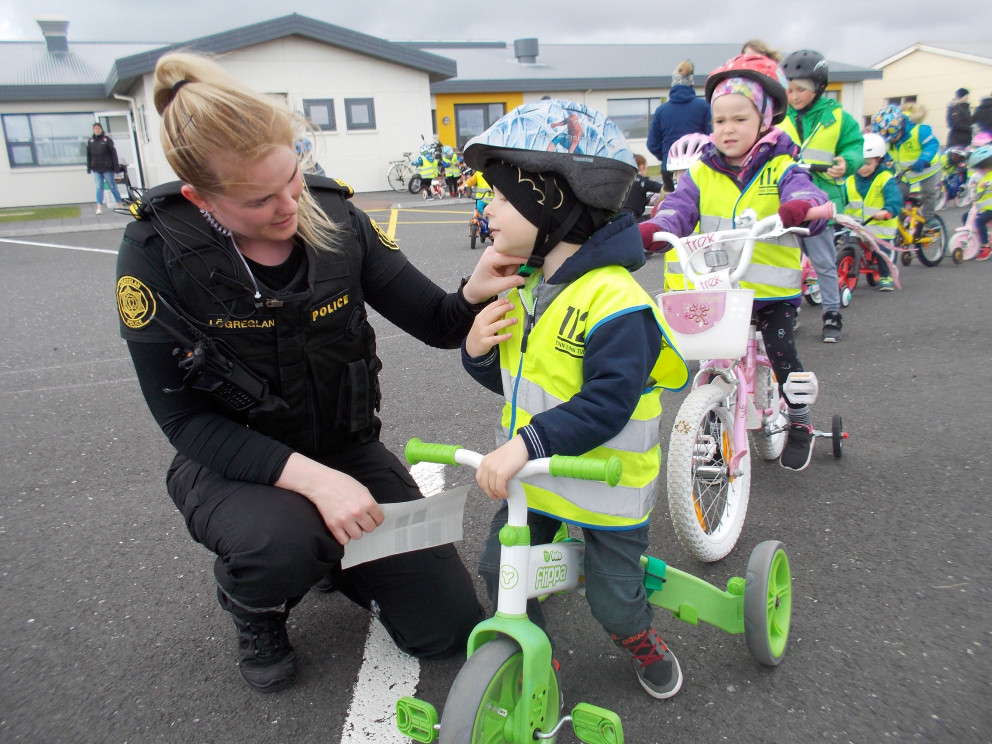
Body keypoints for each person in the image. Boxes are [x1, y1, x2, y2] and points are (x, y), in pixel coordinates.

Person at [114, 52, 529, 693]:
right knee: (281, 540)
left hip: (344, 446)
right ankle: (256, 606)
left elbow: (438, 321)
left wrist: (471, 293)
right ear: (201, 198)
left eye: (294, 179)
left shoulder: (334, 217)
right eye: (259, 200)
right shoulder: (157, 250)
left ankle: (338, 558)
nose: (288, 207)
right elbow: (184, 419)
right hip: (233, 464)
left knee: (447, 630)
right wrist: (319, 486)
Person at [460, 99, 690, 700]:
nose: (489, 208)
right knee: (500, 569)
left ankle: (639, 637)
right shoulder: (531, 287)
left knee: (614, 598)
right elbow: (518, 382)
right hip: (538, 470)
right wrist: (477, 347)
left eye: (505, 199)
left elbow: (607, 404)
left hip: (606, 481)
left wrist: (524, 444)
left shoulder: (617, 302)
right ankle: (538, 664)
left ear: (553, 205)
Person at [640, 53, 830, 471]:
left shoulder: (783, 165)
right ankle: (710, 419)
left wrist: (802, 207)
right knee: (707, 358)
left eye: (740, 119)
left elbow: (808, 196)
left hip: (771, 292)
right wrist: (656, 230)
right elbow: (678, 209)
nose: (727, 129)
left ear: (765, 119)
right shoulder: (701, 172)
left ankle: (799, 420)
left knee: (782, 352)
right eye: (719, 120)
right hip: (720, 289)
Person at [779, 49, 864, 343]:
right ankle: (788, 310)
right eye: (789, 89)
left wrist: (847, 162)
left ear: (818, 88)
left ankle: (831, 312)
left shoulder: (836, 117)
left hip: (819, 199)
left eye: (801, 89)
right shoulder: (778, 116)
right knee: (786, 261)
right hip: (786, 201)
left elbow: (854, 145)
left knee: (823, 261)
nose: (794, 95)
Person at [844, 133, 902, 291]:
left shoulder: (885, 178)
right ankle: (843, 271)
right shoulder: (849, 180)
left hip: (879, 227)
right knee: (845, 244)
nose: (863, 168)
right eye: (860, 164)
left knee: (881, 252)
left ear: (878, 160)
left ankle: (886, 276)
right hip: (856, 225)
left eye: (868, 164)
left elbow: (894, 199)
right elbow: (842, 198)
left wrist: (888, 210)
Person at [647, 60, 712, 193]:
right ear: (691, 84)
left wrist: (666, 155)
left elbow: (652, 144)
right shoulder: (704, 107)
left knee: (672, 205)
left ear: (673, 85)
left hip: (670, 167)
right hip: (699, 165)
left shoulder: (661, 111)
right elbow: (711, 137)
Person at [871, 103, 941, 219]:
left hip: (926, 170)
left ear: (900, 127)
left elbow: (932, 144)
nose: (891, 140)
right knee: (896, 196)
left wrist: (923, 159)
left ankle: (929, 219)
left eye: (893, 137)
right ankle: (899, 222)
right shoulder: (889, 137)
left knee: (928, 194)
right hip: (905, 174)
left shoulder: (919, 130)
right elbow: (885, 154)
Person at [86, 122, 123, 215]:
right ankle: (99, 206)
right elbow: (89, 155)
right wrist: (89, 167)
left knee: (112, 186)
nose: (97, 130)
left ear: (101, 129)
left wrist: (116, 168)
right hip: (96, 168)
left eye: (98, 128)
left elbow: (114, 154)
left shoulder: (107, 140)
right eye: (95, 129)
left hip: (107, 168)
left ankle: (119, 203)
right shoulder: (91, 141)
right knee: (99, 187)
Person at [620, 153, 664, 220]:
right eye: (646, 168)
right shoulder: (642, 181)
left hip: (617, 219)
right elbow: (663, 188)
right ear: (641, 167)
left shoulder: (622, 179)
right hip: (632, 220)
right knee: (659, 216)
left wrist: (650, 201)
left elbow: (633, 197)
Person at [967, 144, 992, 260]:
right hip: (983, 208)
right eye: (979, 167)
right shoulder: (983, 177)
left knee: (979, 221)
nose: (980, 170)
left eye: (983, 166)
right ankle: (979, 237)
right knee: (966, 217)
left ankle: (985, 246)